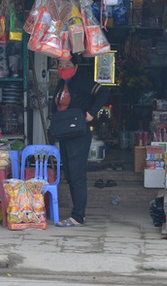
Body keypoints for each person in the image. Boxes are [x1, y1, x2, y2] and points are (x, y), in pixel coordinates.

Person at [50, 54, 109, 227]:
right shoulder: (62, 83)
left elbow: (104, 91)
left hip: (78, 135)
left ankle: (78, 216)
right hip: (65, 135)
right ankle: (77, 212)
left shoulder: (82, 81)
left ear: (75, 67)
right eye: (61, 64)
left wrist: (91, 112)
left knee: (77, 175)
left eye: (67, 64)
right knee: (69, 173)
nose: (63, 68)